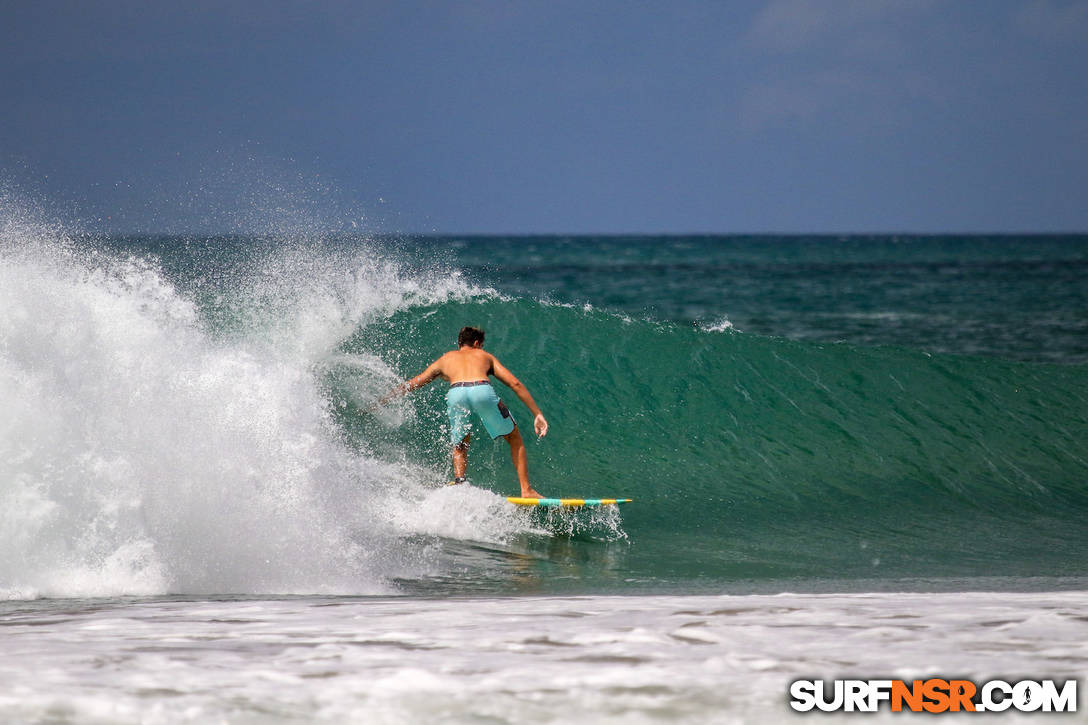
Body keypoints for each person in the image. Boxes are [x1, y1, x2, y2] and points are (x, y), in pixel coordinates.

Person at [379, 326, 548, 498]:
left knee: (460, 442)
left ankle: (460, 484)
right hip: (481, 389)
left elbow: (415, 382)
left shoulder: (446, 358)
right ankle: (526, 490)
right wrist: (537, 414)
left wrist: (383, 400)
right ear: (477, 343)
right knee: (513, 437)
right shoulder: (484, 356)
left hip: (456, 393)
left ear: (459, 343)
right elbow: (515, 384)